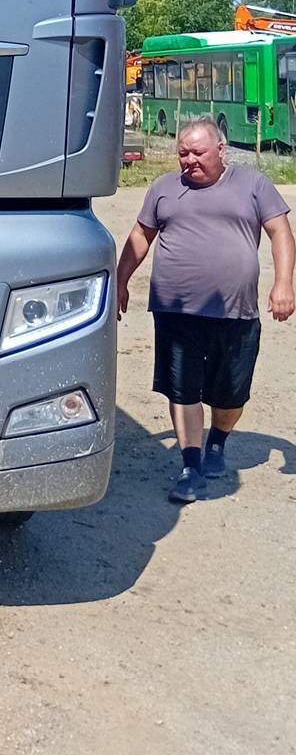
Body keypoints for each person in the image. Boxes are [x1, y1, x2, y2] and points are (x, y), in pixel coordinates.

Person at [117, 117, 294, 504]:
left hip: (236, 310)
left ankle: (218, 440)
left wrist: (284, 283)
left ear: (220, 150)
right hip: (175, 310)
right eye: (183, 153)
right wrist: (120, 281)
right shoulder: (164, 188)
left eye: (197, 152)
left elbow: (280, 231)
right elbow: (141, 236)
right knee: (182, 389)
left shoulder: (253, 185)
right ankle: (190, 466)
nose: (189, 160)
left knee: (230, 394)